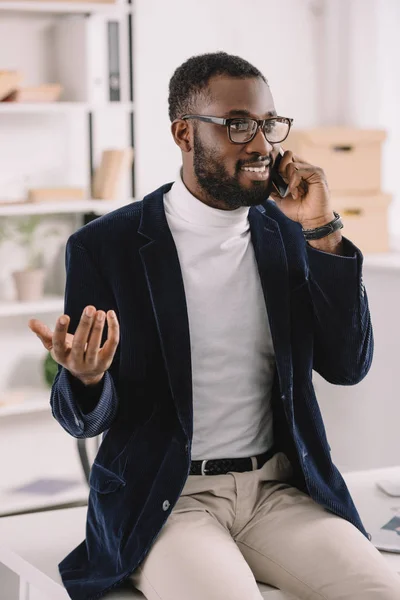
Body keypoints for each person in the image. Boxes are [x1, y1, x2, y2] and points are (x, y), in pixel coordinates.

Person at [28, 52, 400, 600]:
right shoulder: (107, 246)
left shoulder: (290, 232)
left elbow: (347, 366)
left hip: (276, 492)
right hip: (169, 499)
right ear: (184, 134)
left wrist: (322, 231)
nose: (261, 144)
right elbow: (82, 420)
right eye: (238, 125)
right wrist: (85, 380)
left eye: (269, 124)